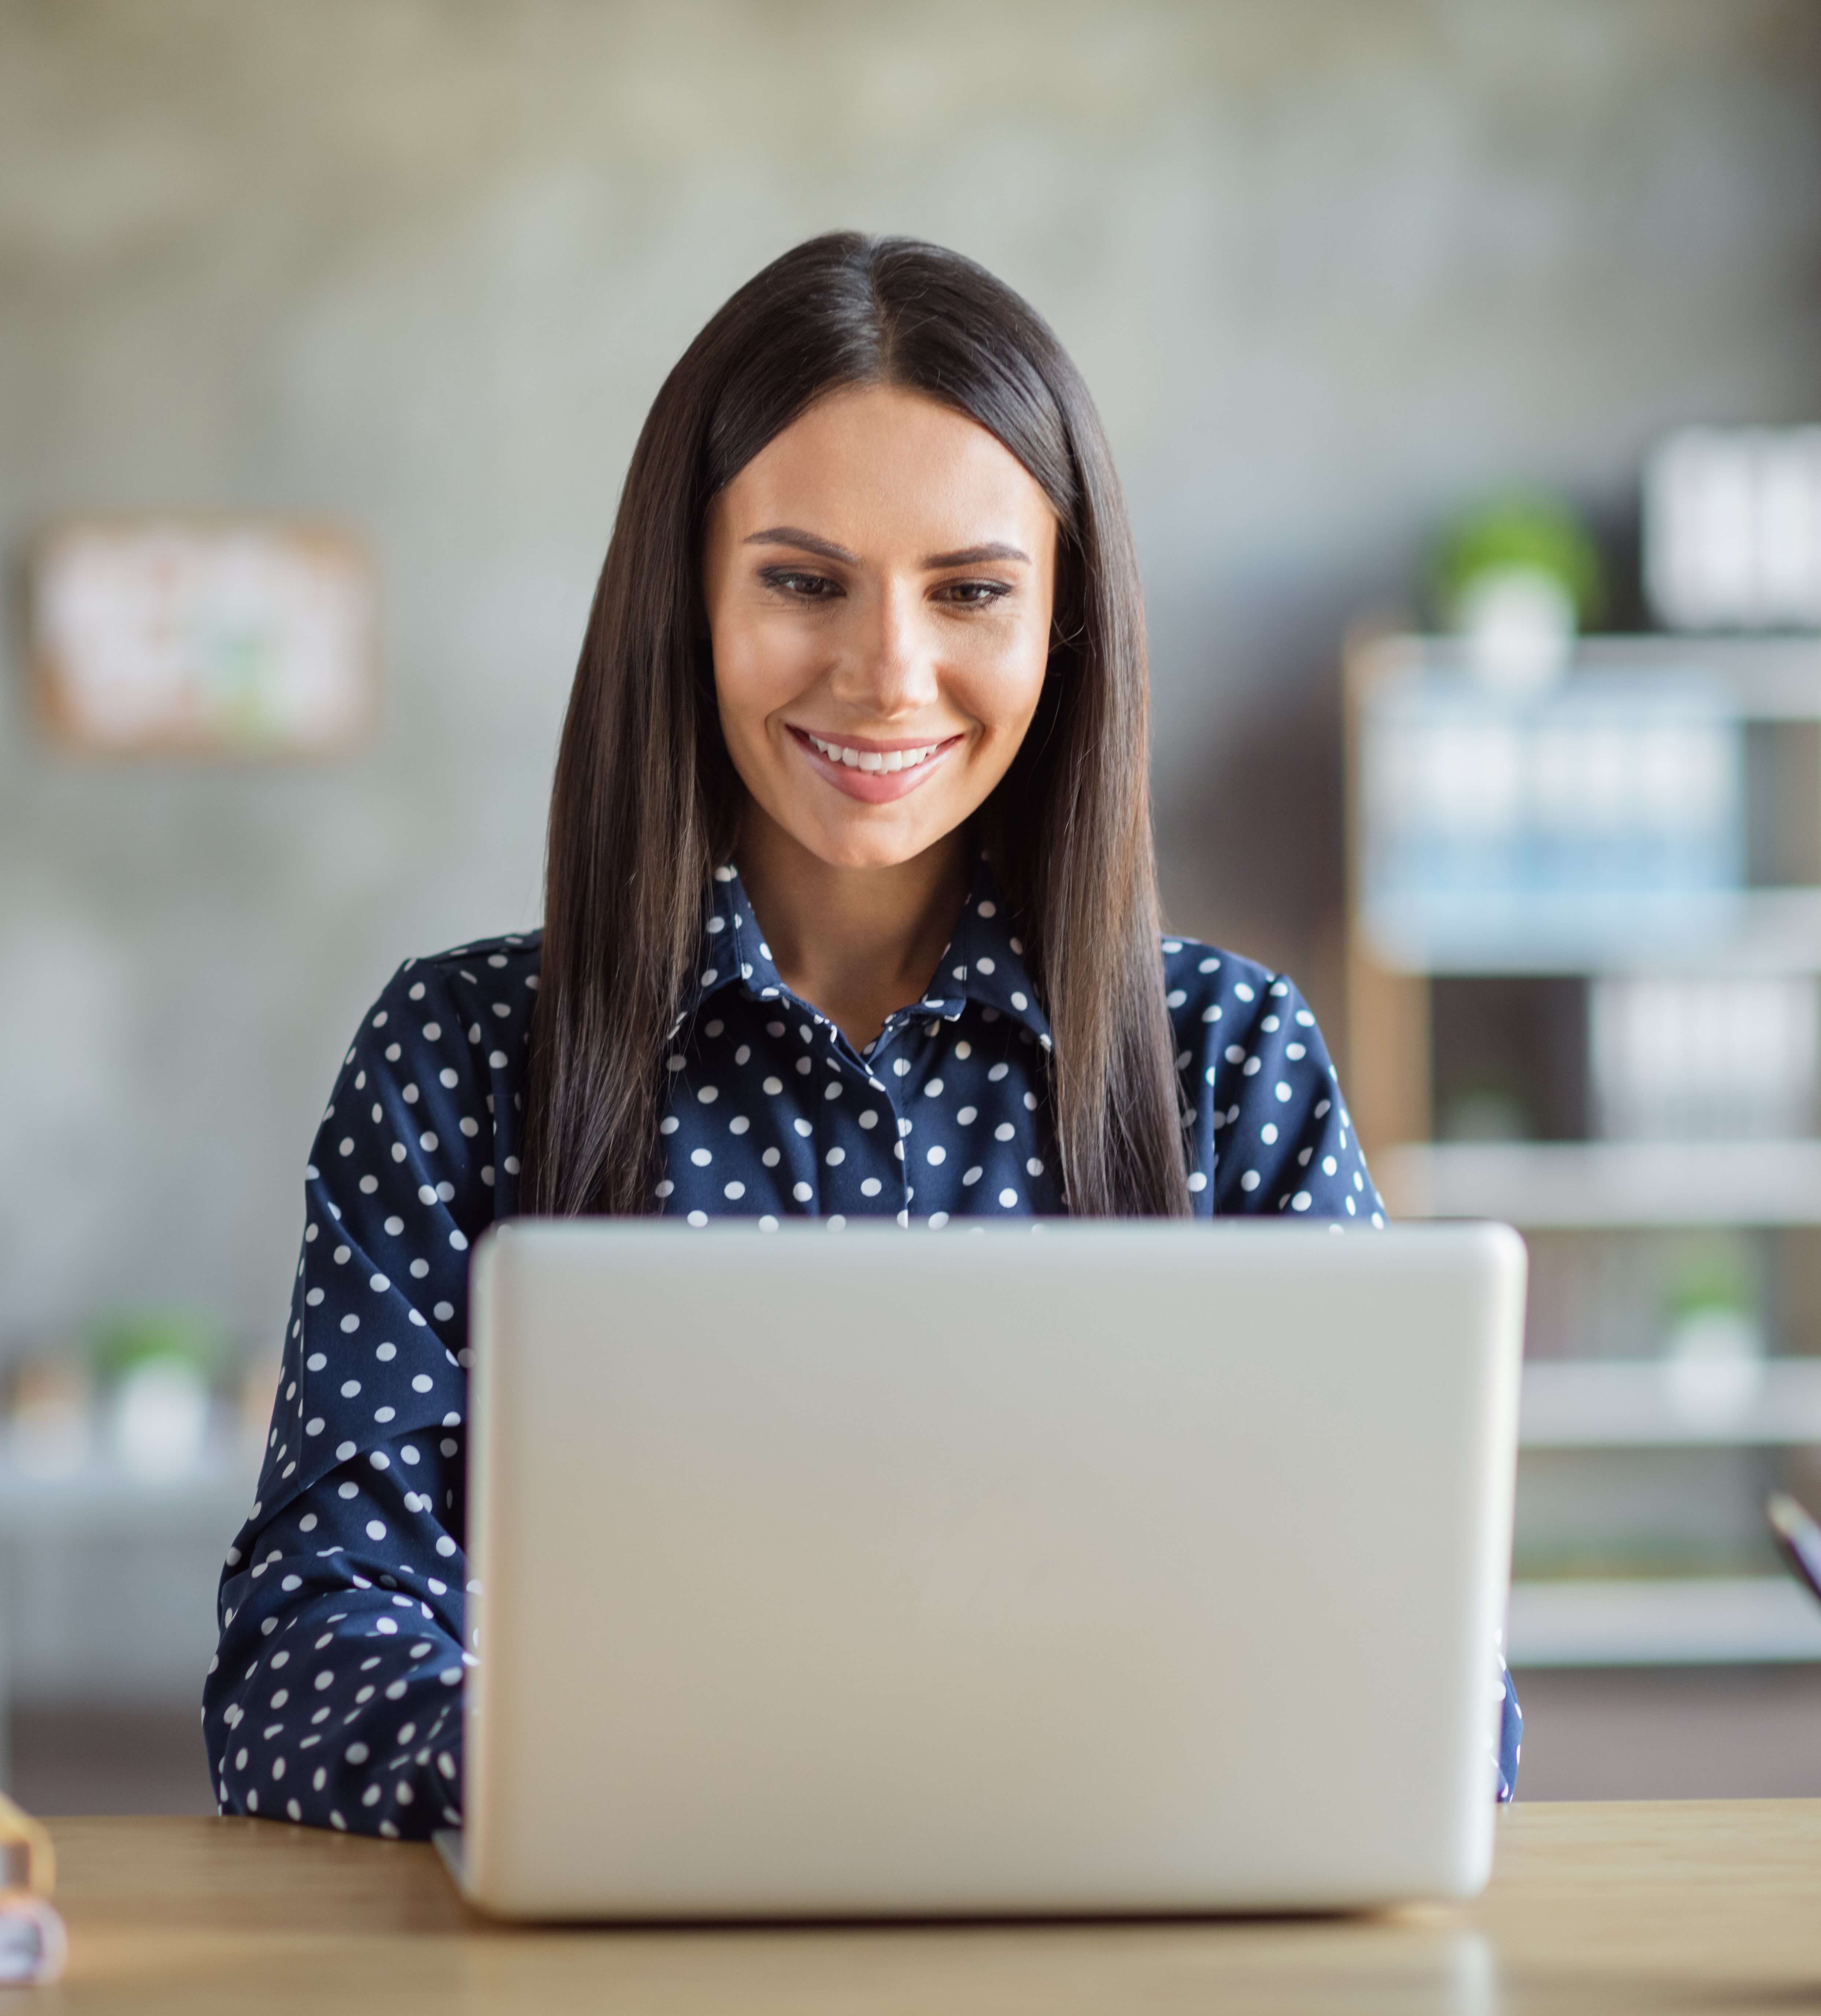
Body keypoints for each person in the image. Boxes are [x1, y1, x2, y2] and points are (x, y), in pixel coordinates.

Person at [204, 233, 1521, 1836]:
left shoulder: (1228, 1060)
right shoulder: (460, 1056)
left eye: (970, 591)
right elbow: (298, 1660)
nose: (888, 675)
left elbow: (1437, 1689)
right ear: (686, 598)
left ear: (1066, 625)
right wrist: (640, 1781)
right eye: (802, 581)